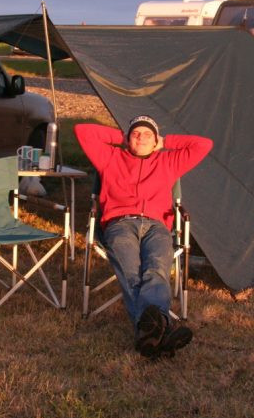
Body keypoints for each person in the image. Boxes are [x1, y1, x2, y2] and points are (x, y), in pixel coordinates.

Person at [75, 116, 212, 359]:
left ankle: (148, 334)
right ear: (128, 138)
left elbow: (203, 145)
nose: (141, 138)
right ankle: (162, 327)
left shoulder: (169, 161)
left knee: (156, 269)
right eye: (136, 133)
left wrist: (166, 141)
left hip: (156, 226)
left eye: (147, 134)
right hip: (120, 223)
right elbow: (82, 131)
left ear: (156, 139)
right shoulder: (110, 158)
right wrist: (121, 138)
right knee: (132, 272)